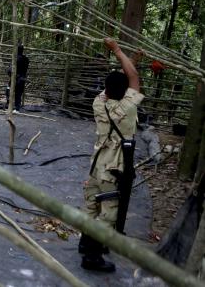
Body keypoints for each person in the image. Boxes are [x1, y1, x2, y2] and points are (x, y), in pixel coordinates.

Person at [79, 38, 144, 272]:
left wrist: (128, 57)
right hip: (113, 168)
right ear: (124, 91)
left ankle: (86, 245)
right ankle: (92, 257)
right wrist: (118, 50)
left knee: (91, 207)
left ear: (106, 90)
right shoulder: (127, 108)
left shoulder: (100, 103)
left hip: (97, 164)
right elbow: (134, 78)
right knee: (108, 215)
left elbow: (126, 78)